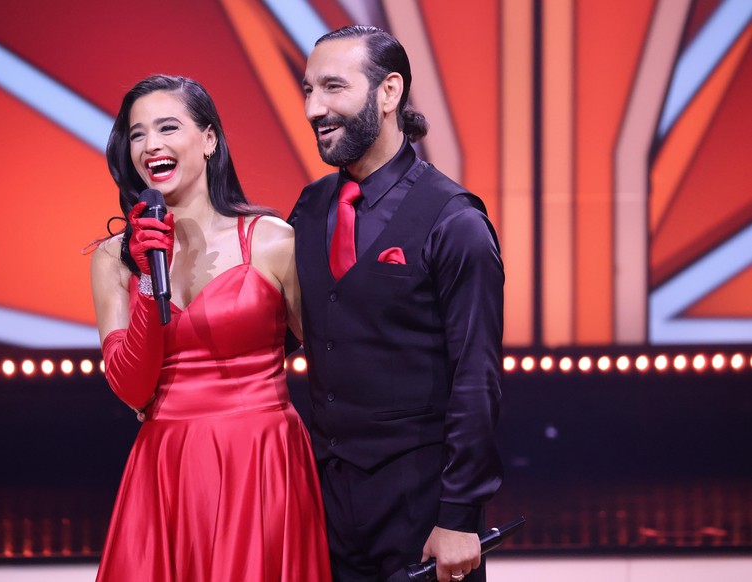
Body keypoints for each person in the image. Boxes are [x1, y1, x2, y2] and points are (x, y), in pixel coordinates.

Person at [90, 74, 330, 581]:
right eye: (136, 134)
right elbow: (133, 387)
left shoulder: (271, 240)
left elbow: (333, 356)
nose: (150, 144)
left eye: (167, 127)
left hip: (261, 460)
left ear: (209, 139)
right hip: (166, 467)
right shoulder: (116, 259)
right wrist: (151, 277)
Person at [291, 26, 504, 582]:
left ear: (389, 93)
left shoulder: (454, 221)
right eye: (307, 91)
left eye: (333, 88)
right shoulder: (309, 210)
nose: (314, 108)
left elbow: (475, 378)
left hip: (422, 515)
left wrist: (460, 516)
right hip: (325, 510)